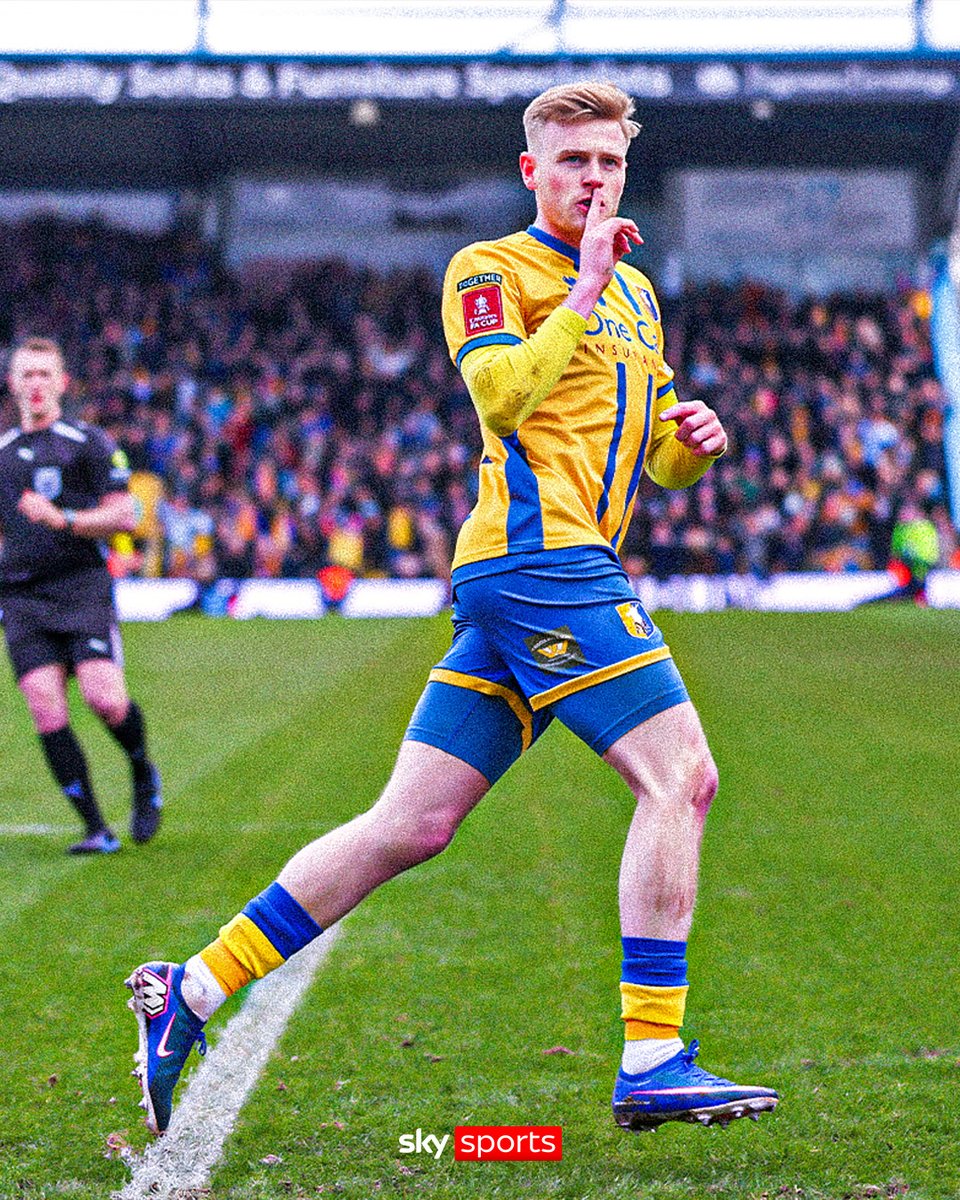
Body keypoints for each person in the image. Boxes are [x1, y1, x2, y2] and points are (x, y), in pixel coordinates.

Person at [125, 81, 777, 1136]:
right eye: (573, 163)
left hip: (555, 570)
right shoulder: (488, 269)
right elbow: (502, 397)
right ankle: (653, 1056)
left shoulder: (640, 297)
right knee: (682, 777)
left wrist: (689, 444)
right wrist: (580, 292)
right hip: (539, 564)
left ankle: (189, 991)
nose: (593, 180)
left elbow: (650, 466)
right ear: (534, 172)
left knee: (411, 824)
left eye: (608, 163)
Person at [0, 337, 163, 853]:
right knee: (46, 709)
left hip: (82, 591)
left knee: (106, 700)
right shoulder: (2, 457)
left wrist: (64, 518)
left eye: (45, 374)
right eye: (27, 375)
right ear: (13, 385)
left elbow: (127, 515)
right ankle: (96, 828)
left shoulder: (88, 442)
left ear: (63, 382)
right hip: (23, 599)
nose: (36, 384)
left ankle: (142, 772)